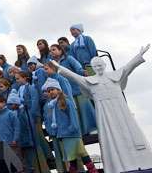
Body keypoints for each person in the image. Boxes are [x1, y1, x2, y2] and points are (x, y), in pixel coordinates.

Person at [53, 45, 152, 173]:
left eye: (100, 65)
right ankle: (118, 164)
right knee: (111, 137)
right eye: (96, 66)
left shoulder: (114, 77)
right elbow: (74, 76)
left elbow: (128, 67)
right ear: (93, 68)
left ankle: (142, 161)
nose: (98, 67)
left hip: (121, 110)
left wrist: (139, 55)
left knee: (130, 133)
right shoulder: (90, 81)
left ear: (104, 65)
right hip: (105, 114)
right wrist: (59, 67)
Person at [42, 79, 98, 173]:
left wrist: (72, 128)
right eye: (48, 91)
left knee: (82, 154)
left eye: (52, 89)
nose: (50, 92)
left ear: (58, 90)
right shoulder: (54, 104)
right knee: (72, 157)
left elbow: (73, 116)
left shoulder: (66, 102)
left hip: (72, 133)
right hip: (64, 135)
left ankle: (93, 171)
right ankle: (80, 171)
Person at [50, 44, 96, 135]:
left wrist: (84, 72)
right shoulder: (52, 64)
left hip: (77, 89)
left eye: (54, 49)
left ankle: (93, 128)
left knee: (85, 109)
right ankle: (81, 132)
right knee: (74, 113)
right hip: (65, 92)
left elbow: (78, 68)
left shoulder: (69, 59)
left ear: (60, 50)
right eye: (50, 51)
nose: (52, 52)